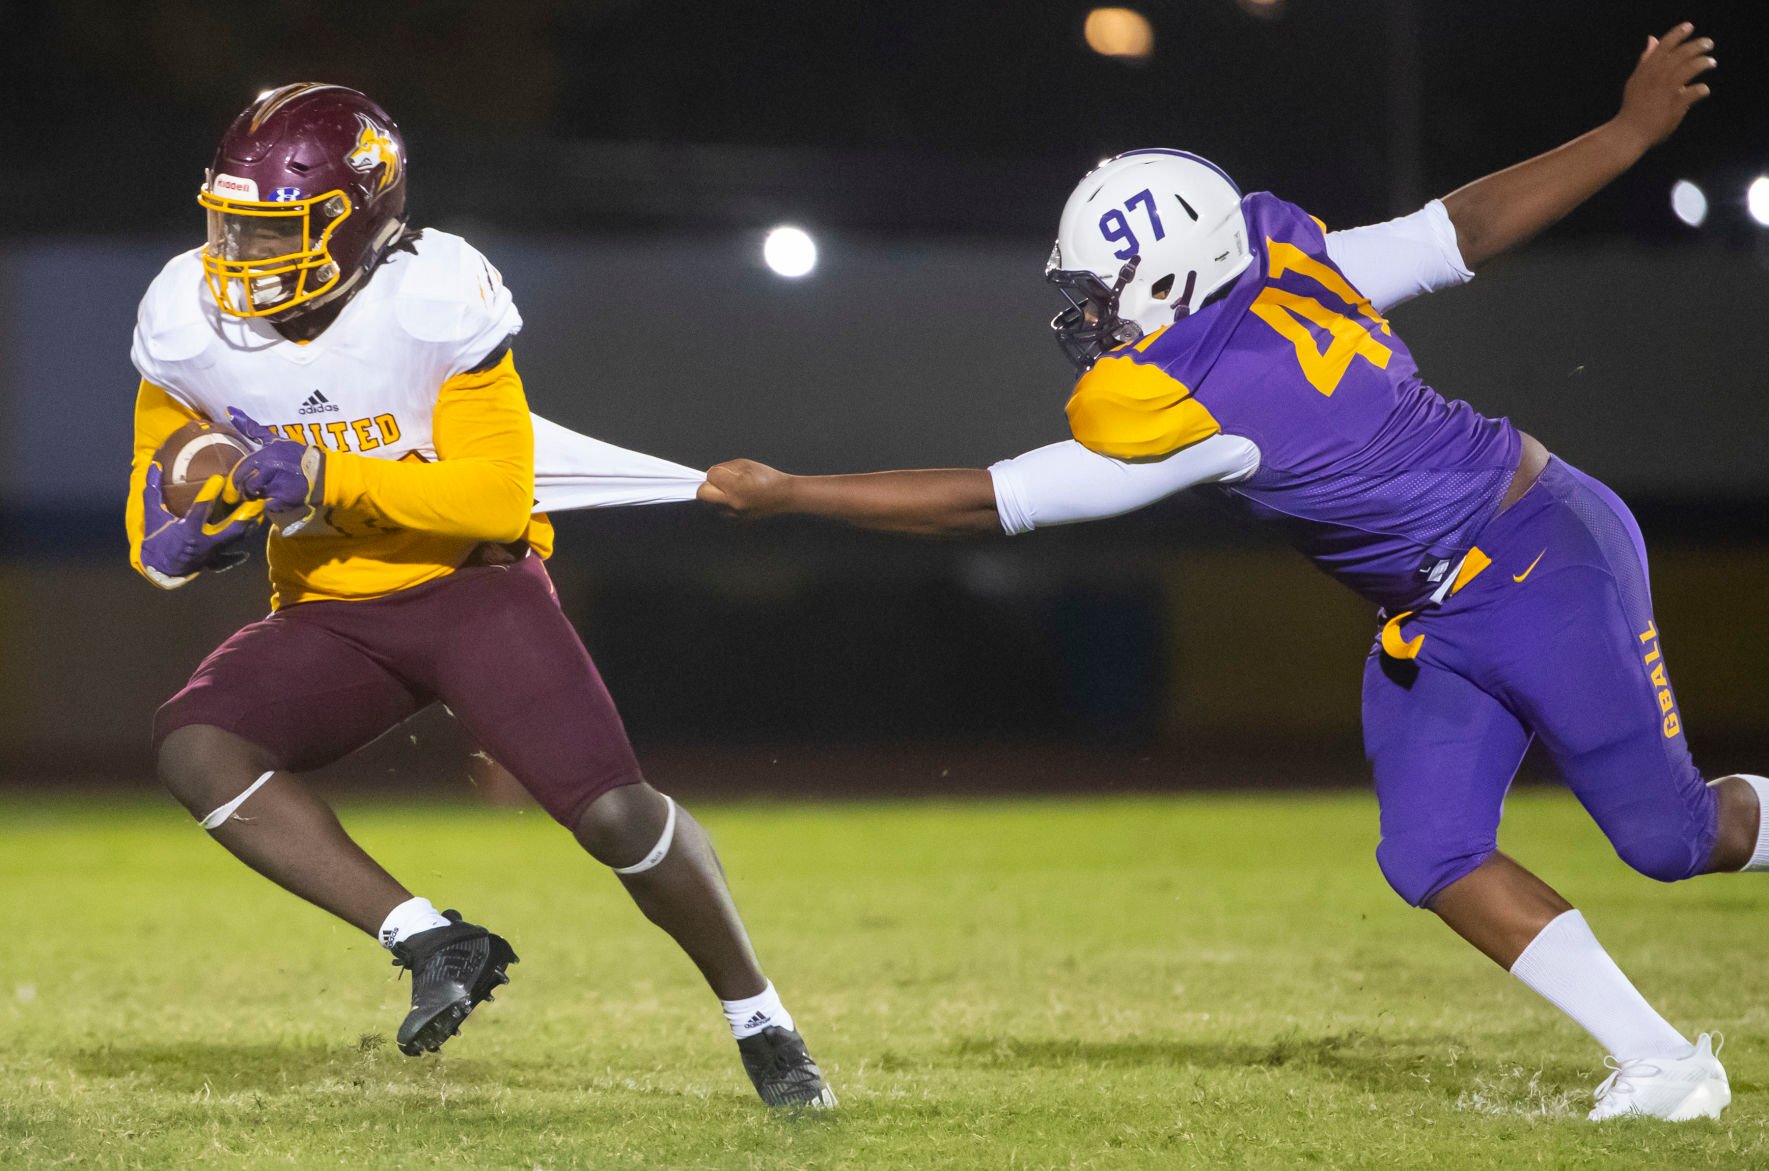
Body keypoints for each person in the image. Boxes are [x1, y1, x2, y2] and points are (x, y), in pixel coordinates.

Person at [697, 27, 1731, 1120]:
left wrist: (791, 491)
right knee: (1430, 851)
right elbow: (1458, 229)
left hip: (1536, 559)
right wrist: (1622, 135)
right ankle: (1663, 1060)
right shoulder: (1287, 267)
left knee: (1672, 839)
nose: (1086, 316)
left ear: (1173, 273)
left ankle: (1671, 1039)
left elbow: (991, 498)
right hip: (1437, 602)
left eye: (1101, 292)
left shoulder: (1205, 408)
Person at [128, 82, 834, 1109]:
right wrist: (182, 543)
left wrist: (325, 478)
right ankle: (432, 939)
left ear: (358, 218)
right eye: (230, 224)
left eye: (272, 228)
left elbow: (494, 496)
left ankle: (759, 1015)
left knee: (614, 820)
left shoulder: (431, 293)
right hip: (326, 608)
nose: (237, 255)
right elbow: (155, 499)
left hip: (474, 590)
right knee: (195, 745)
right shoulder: (182, 315)